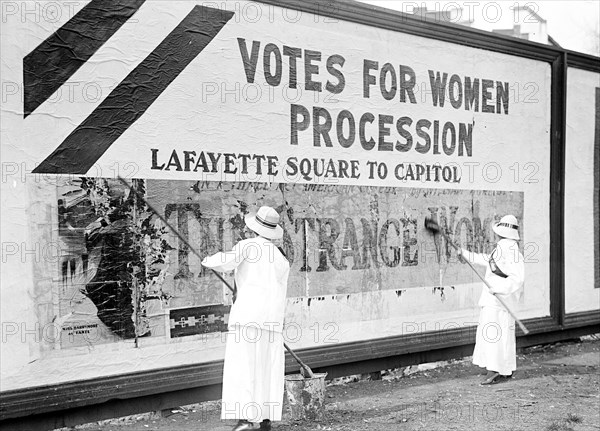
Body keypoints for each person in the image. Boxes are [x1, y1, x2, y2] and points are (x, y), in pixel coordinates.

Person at [202, 206, 290, 431]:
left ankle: (247, 421)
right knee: (267, 369)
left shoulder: (248, 246)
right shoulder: (281, 258)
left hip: (247, 319)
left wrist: (206, 260)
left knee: (244, 368)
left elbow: (225, 262)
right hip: (271, 322)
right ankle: (265, 421)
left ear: (255, 228)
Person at [459, 215, 525, 385]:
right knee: (501, 335)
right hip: (495, 300)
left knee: (492, 335)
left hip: (498, 301)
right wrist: (467, 255)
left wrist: (500, 289)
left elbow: (517, 278)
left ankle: (494, 370)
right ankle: (505, 369)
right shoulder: (504, 248)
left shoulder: (510, 250)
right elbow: (487, 261)